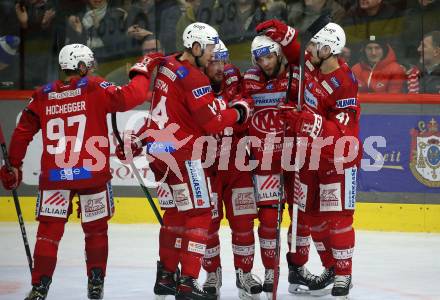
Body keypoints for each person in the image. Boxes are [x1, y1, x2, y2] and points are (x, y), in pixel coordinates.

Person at [0, 43, 162, 300]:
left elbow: (22, 132)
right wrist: (143, 70)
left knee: (48, 233)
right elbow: (133, 96)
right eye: (90, 64)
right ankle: (95, 283)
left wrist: (14, 165)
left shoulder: (43, 94)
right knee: (96, 230)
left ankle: (40, 285)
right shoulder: (95, 86)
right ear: (83, 66)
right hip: (92, 174)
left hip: (55, 177)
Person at [116, 22, 252, 300]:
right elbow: (213, 122)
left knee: (175, 214)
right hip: (184, 157)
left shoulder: (166, 64)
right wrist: (239, 112)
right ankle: (188, 282)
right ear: (197, 47)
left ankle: (166, 277)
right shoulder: (195, 78)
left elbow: (163, 113)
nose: (214, 56)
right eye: (211, 49)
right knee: (200, 213)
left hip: (159, 151)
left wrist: (141, 140)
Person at [256, 19, 361, 298]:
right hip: (310, 159)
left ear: (329, 50)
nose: (310, 48)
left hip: (337, 161)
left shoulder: (346, 83)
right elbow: (294, 54)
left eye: (316, 45)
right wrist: (285, 33)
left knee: (337, 219)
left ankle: (344, 274)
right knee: (313, 218)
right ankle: (330, 267)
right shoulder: (313, 65)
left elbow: (343, 134)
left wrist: (307, 121)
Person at [200, 40, 262, 298]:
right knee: (207, 224)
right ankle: (212, 274)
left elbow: (245, 109)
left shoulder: (234, 78)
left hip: (237, 164)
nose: (219, 67)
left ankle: (245, 274)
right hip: (206, 166)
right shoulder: (193, 83)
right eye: (214, 61)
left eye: (222, 61)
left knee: (244, 223)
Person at [241, 33, 299, 296]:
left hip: (296, 156)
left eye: (269, 56)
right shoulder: (249, 79)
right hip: (264, 159)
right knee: (267, 218)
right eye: (260, 58)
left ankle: (297, 269)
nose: (265, 63)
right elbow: (241, 110)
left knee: (299, 216)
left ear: (279, 53)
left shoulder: (295, 76)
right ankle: (269, 270)